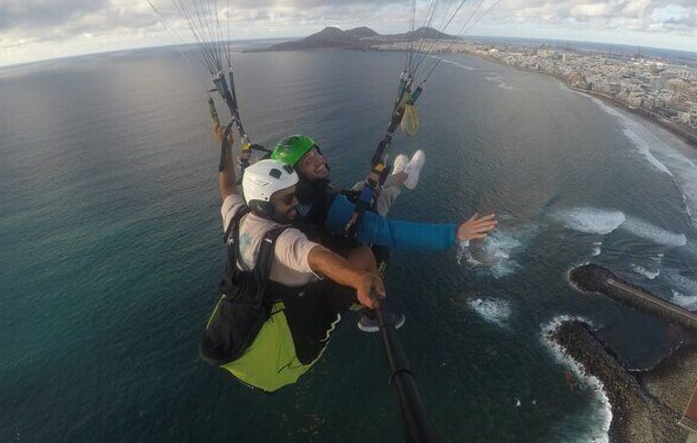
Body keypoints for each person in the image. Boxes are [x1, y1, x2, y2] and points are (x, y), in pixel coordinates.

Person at [201, 126, 391, 391]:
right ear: (265, 203)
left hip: (262, 299)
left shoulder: (237, 218)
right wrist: (359, 278)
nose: (296, 202)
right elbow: (319, 258)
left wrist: (225, 145)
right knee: (366, 254)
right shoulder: (283, 241)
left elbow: (227, 187)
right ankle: (369, 315)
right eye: (289, 199)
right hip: (298, 339)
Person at [271, 134, 498, 331]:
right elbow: (392, 232)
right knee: (381, 200)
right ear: (295, 174)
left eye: (316, 153)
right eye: (308, 161)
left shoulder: (288, 197)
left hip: (330, 236)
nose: (319, 161)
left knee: (364, 186)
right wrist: (455, 233)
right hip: (349, 245)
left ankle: (404, 174)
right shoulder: (329, 207)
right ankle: (371, 317)